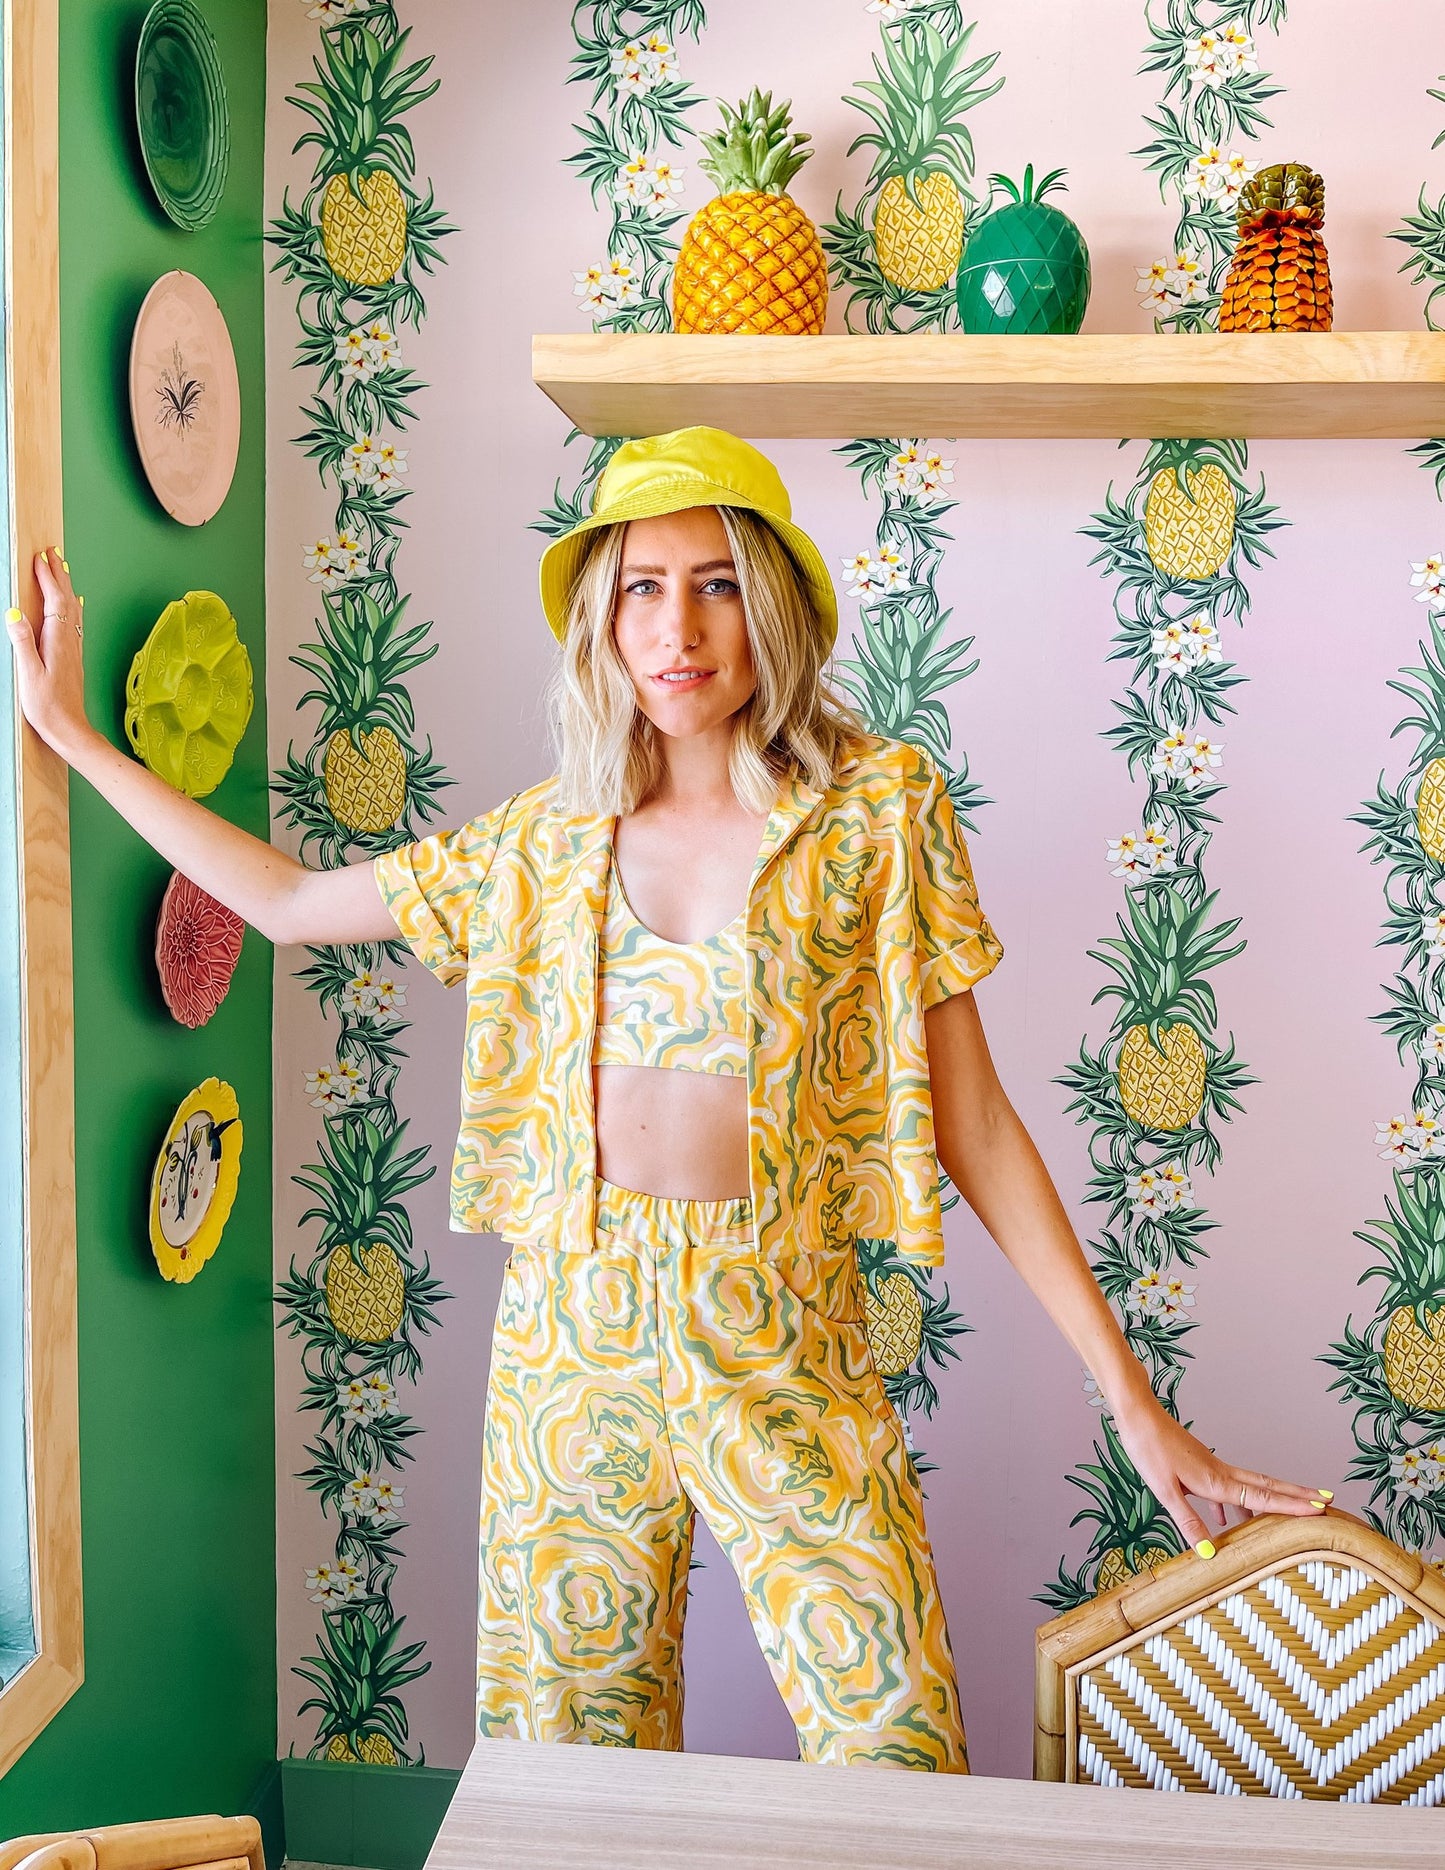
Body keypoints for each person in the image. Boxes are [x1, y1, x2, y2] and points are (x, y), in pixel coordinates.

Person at [7, 425, 1330, 1772]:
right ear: (601, 616)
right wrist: (69, 732)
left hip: (786, 1339)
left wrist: (1133, 1401)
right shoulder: (539, 842)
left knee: (897, 1751)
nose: (675, 626)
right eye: (640, 585)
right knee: (571, 1774)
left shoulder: (877, 813)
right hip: (569, 1348)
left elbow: (971, 1121)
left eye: (712, 582)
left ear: (770, 604)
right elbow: (286, 905)